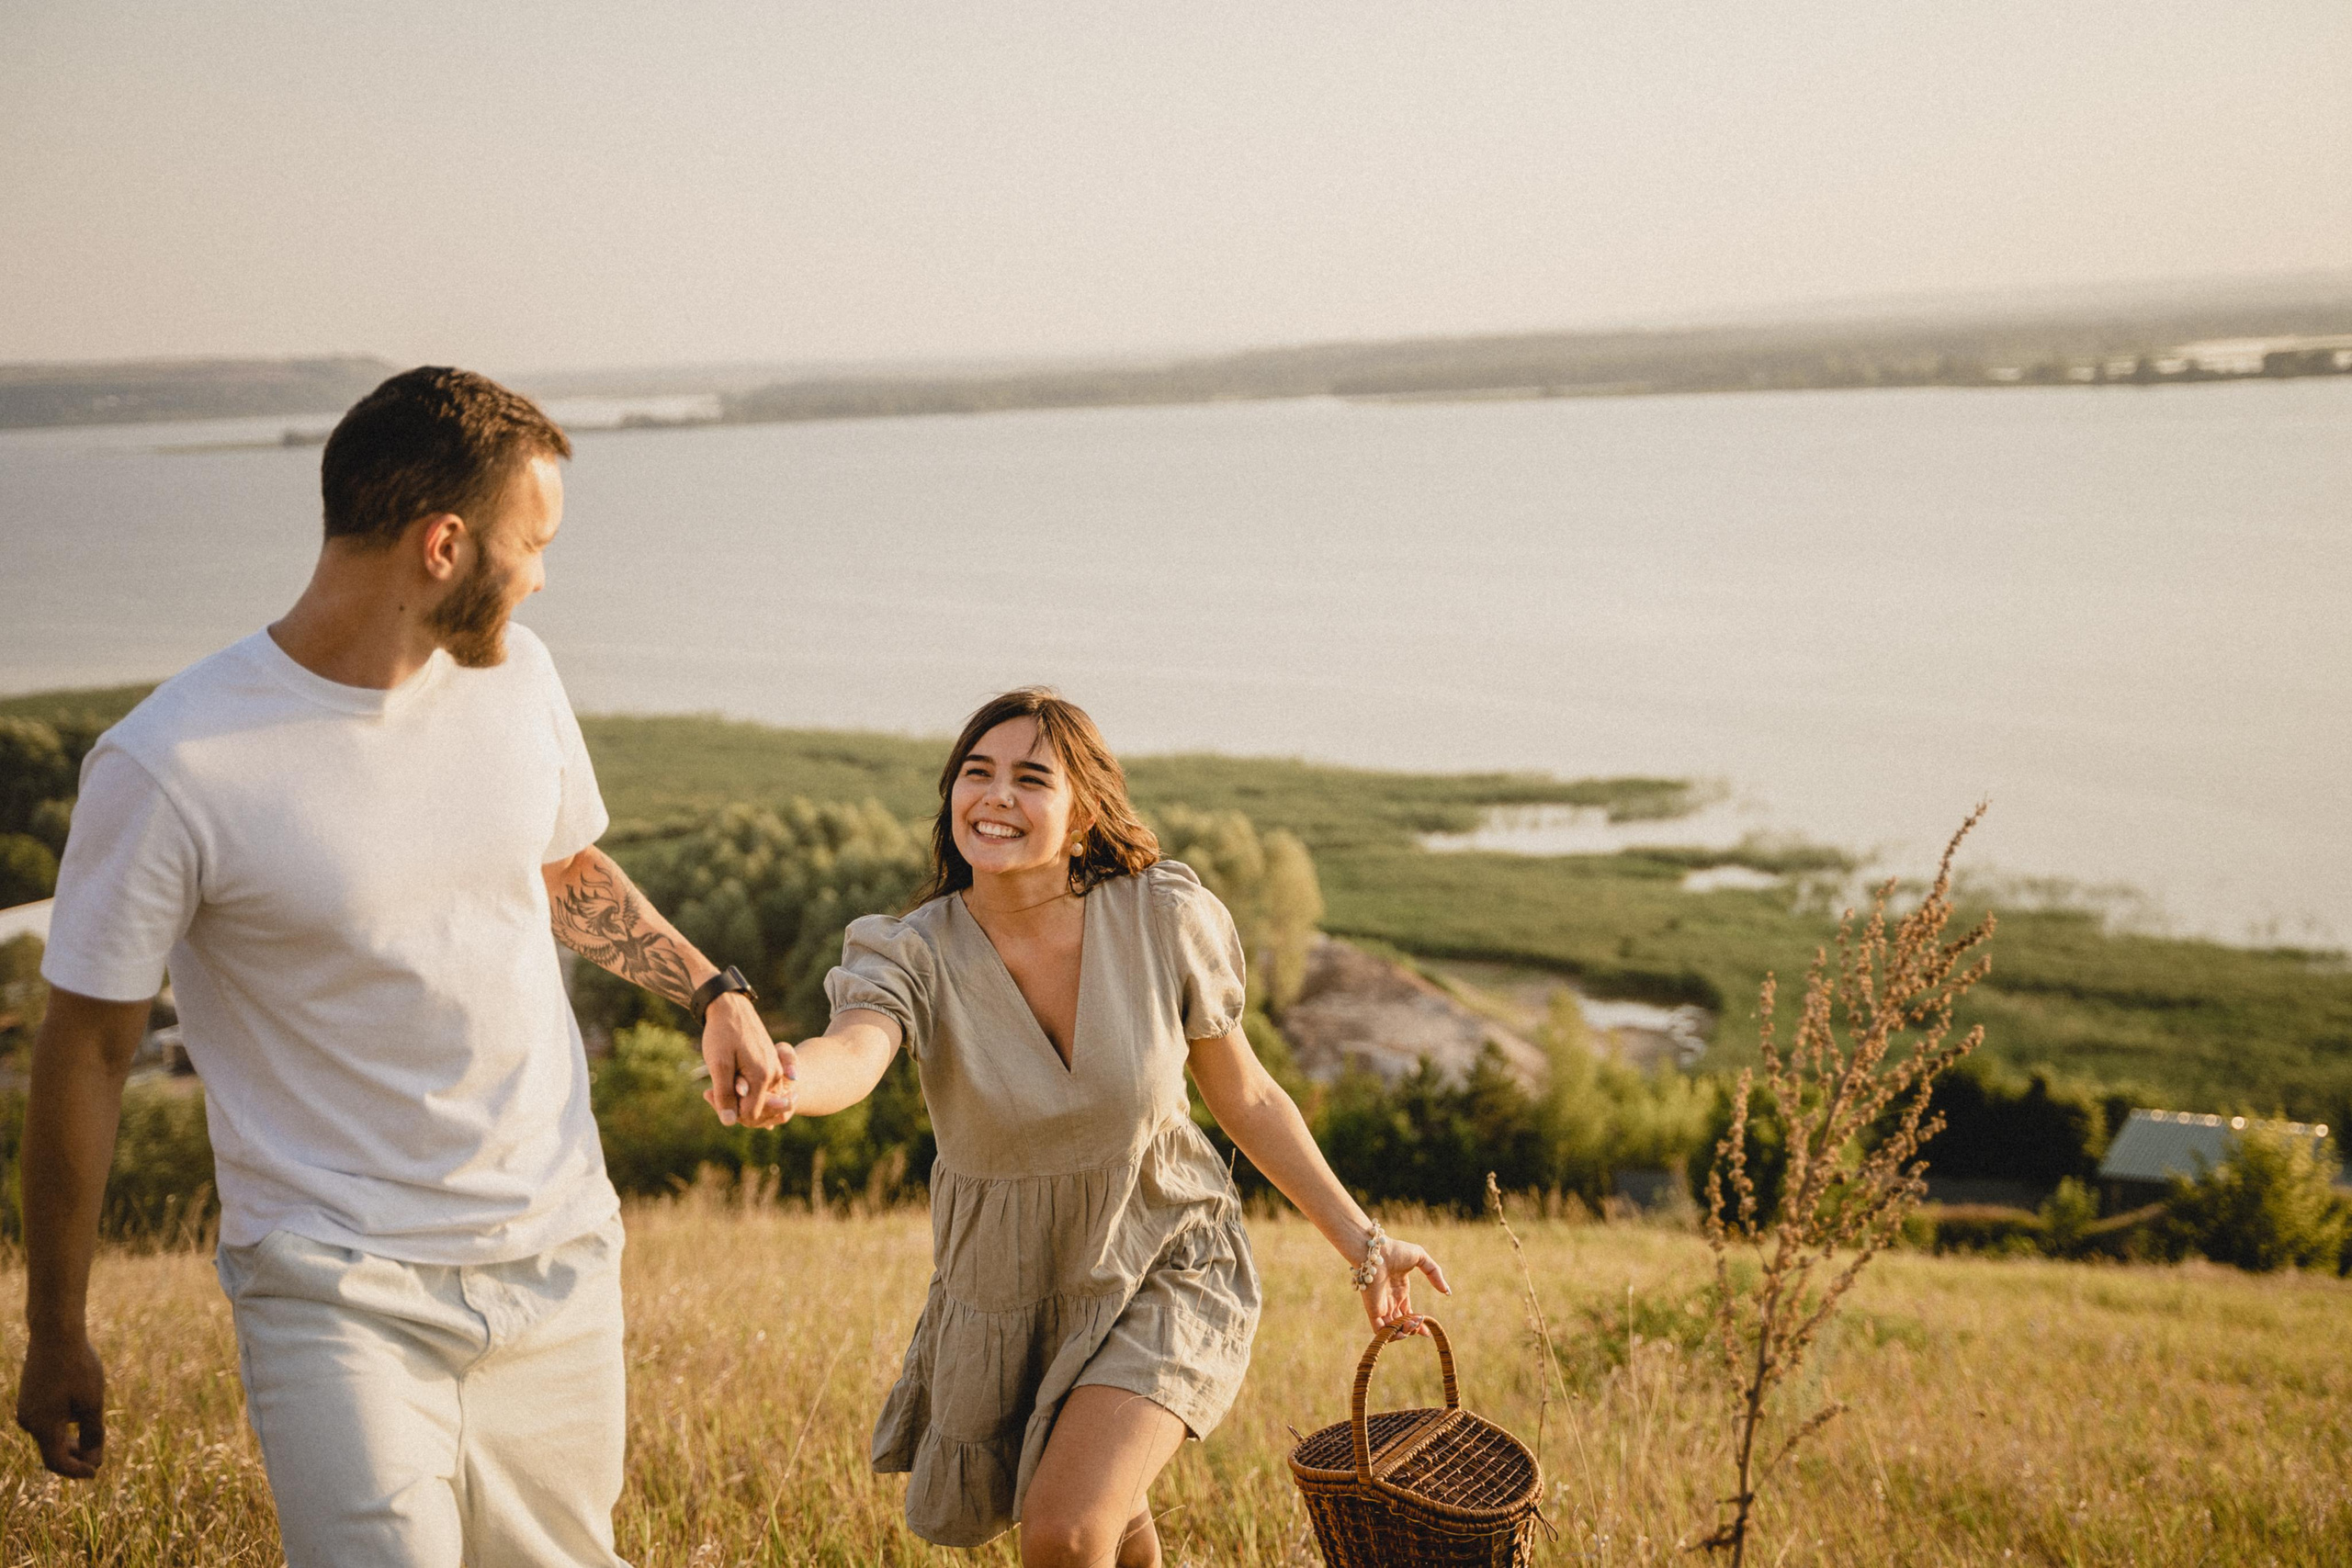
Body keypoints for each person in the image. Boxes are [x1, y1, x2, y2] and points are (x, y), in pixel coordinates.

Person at [13, 367, 792, 1567]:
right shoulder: (173, 761)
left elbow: (559, 865)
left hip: (558, 1249)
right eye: (533, 543)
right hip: (337, 1283)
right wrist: (54, 1322)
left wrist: (713, 990)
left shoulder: (518, 676)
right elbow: (88, 1050)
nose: (541, 573)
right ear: (444, 544)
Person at [775, 687, 1451, 1567]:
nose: (996, 798)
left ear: (1084, 808)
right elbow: (855, 1049)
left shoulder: (1159, 917)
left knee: (1065, 1528)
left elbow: (1246, 1098)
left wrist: (1366, 1242)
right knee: (1105, 1524)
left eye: (1031, 778)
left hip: (1167, 1261)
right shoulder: (913, 950)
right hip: (1016, 1288)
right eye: (975, 774)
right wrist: (789, 1080)